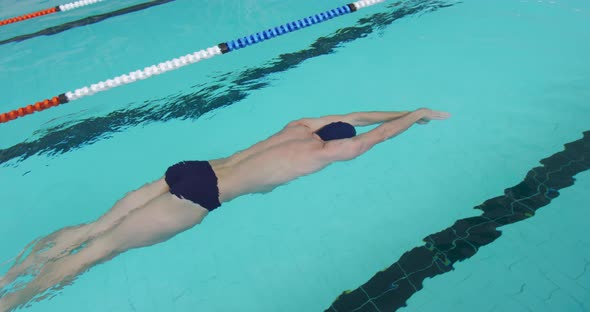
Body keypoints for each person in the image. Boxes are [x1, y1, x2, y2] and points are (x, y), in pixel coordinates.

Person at [0, 107, 450, 311]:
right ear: (338, 141)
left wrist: (404, 108)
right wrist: (417, 117)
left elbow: (363, 115)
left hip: (192, 169)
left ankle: (5, 278)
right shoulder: (328, 153)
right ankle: (11, 303)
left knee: (96, 228)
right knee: (95, 254)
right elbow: (377, 135)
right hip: (200, 197)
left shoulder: (298, 127)